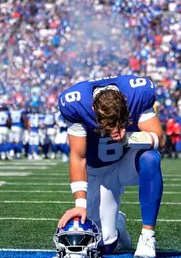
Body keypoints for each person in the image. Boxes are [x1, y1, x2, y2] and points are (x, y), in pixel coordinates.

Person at [57, 75, 165, 258]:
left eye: (119, 122)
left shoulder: (137, 93)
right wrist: (80, 204)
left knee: (151, 159)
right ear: (93, 109)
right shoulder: (76, 104)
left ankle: (147, 236)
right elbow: (78, 156)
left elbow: (160, 139)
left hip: (125, 164)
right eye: (108, 124)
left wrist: (129, 138)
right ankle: (118, 224)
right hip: (96, 171)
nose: (114, 130)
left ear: (126, 104)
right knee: (102, 245)